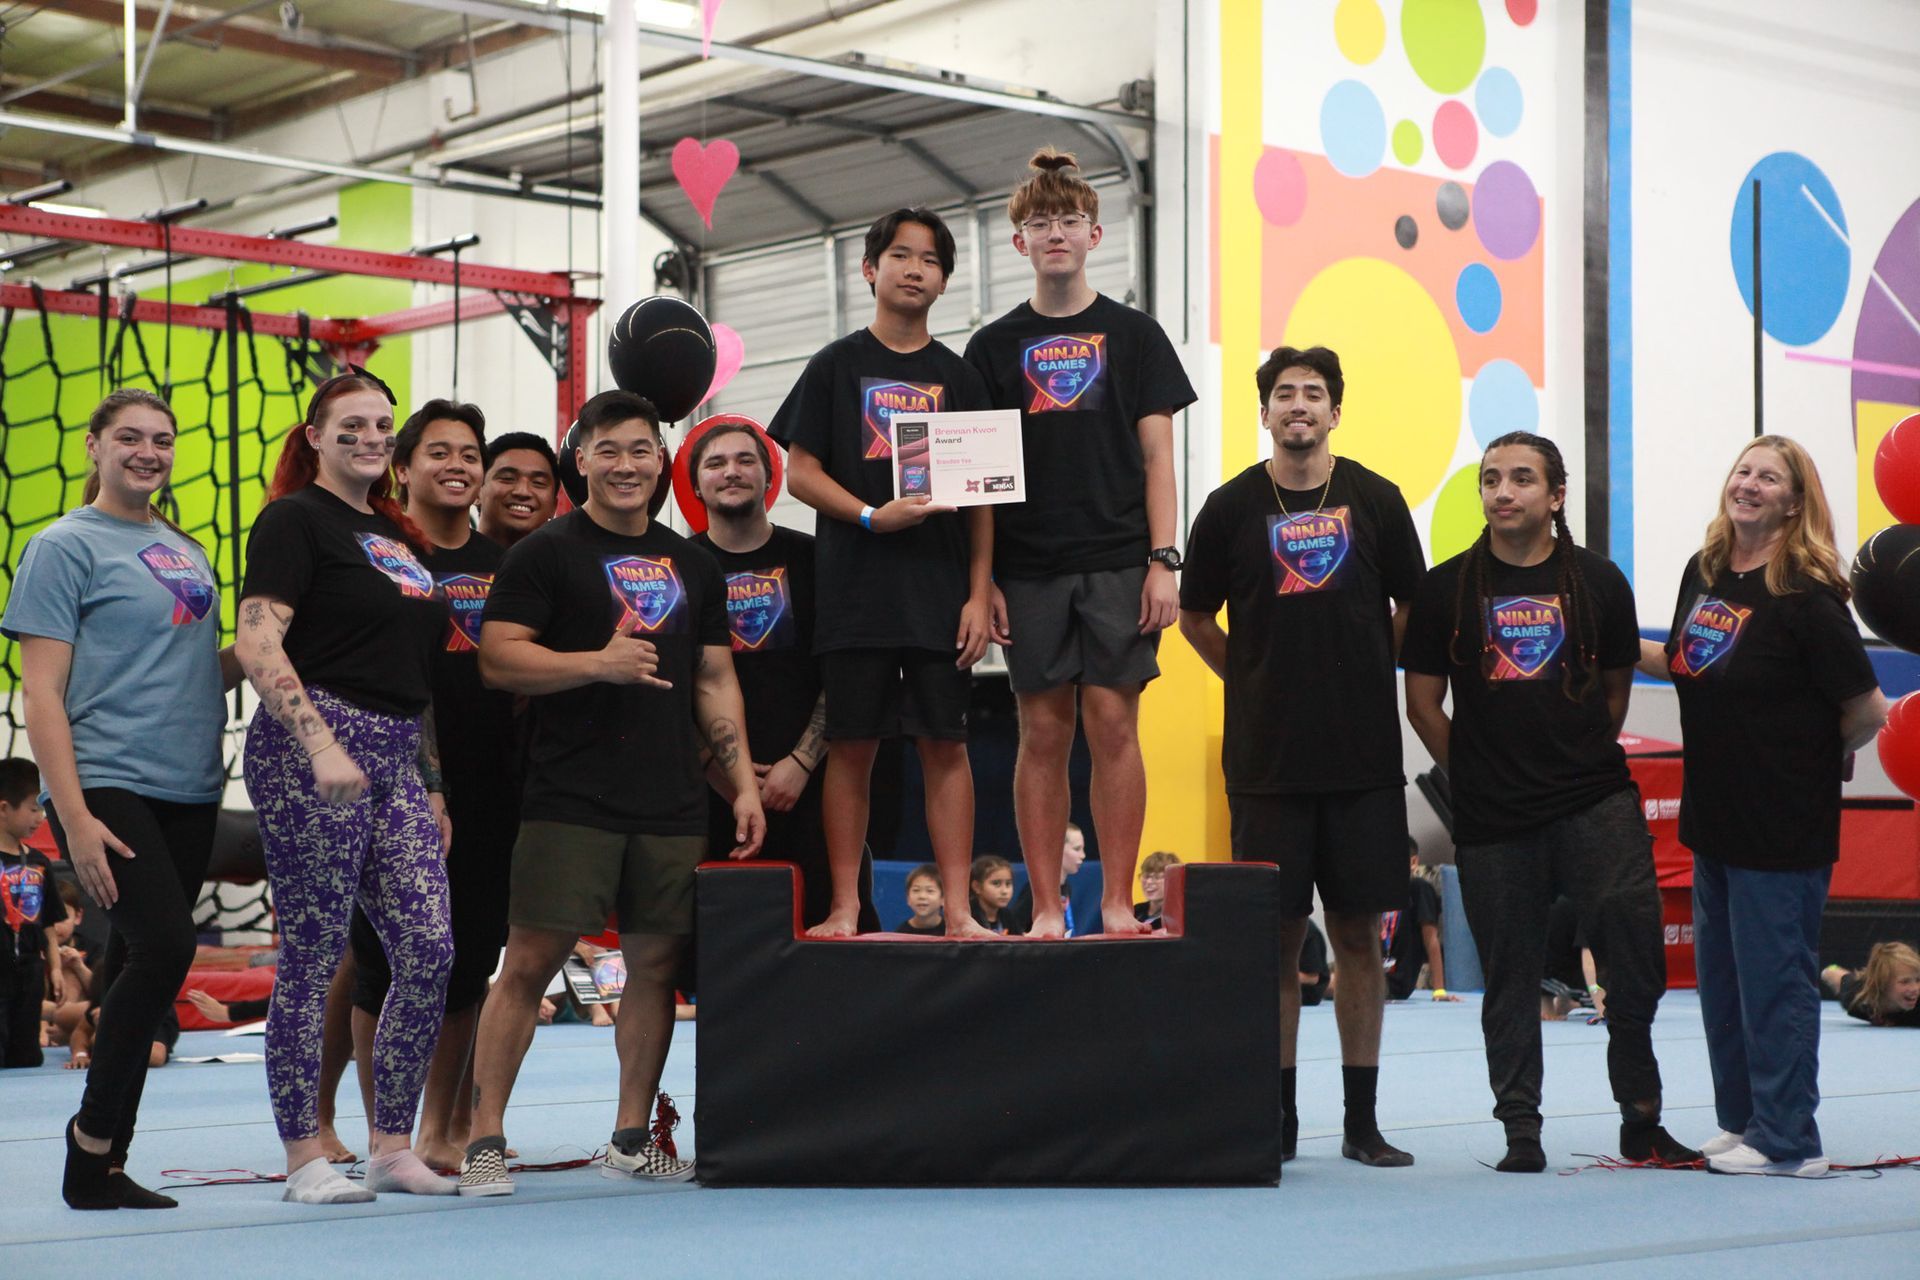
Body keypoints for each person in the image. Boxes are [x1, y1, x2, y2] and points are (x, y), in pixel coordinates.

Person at [463, 389, 764, 1196]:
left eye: (641, 449)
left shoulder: (693, 560)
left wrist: (741, 783)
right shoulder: (545, 554)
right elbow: (496, 658)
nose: (626, 464)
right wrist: (594, 663)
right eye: (609, 450)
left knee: (655, 966)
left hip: (668, 798)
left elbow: (713, 676)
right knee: (529, 961)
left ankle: (633, 1134)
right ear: (582, 460)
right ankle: (484, 1139)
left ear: (660, 460)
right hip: (569, 795)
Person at [1404, 430, 1695, 1174]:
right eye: (1492, 479)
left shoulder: (1600, 582)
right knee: (1509, 974)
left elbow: (1616, 691)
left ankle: (1641, 1117)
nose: (1504, 492)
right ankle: (1520, 1132)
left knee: (1634, 958)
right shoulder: (1445, 590)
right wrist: (1471, 774)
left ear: (1556, 496)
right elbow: (1422, 704)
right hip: (1495, 814)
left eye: (1522, 479)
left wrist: (1574, 761)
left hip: (1594, 800)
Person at [1179, 345, 1424, 1168]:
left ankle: (1362, 1123)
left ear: (1335, 412)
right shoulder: (1227, 508)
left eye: (1313, 394)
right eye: (1284, 393)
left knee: (1358, 937)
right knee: (1277, 942)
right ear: (1265, 412)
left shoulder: (1377, 500)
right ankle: (1277, 1121)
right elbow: (1193, 617)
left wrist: (1367, 663)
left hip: (1361, 760)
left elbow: (1414, 608)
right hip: (1267, 764)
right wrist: (1247, 679)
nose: (1298, 406)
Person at [1635, 434, 1887, 1176]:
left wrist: (1810, 754)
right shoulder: (1706, 572)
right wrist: (1610, 636)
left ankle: (1788, 1139)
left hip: (1781, 821)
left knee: (1776, 979)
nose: (1747, 484)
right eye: (1742, 470)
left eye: (1768, 477)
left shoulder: (1807, 595)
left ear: (1794, 501)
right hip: (1714, 811)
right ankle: (1746, 1119)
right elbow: (1685, 660)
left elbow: (1867, 709)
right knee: (1723, 982)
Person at [4, 389, 231, 1210]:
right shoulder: (63, 547)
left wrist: (282, 648)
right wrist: (76, 819)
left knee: (143, 956)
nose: (148, 451)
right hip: (108, 780)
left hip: (192, 784)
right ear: (94, 446)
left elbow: (195, 669)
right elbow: (41, 695)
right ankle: (90, 1139)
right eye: (129, 437)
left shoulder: (185, 546)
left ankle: (100, 1165)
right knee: (167, 947)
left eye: (163, 440)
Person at [236, 369, 456, 1204]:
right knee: (314, 952)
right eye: (352, 424)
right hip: (314, 747)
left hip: (394, 755)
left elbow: (412, 672)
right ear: (316, 436)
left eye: (382, 425)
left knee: (430, 949)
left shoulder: (396, 537)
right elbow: (259, 644)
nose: (372, 436)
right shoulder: (295, 520)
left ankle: (392, 1144)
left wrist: (429, 782)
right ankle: (303, 1157)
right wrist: (320, 743)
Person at [966, 148, 1197, 940]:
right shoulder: (991, 349)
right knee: (1042, 732)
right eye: (1039, 222)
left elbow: (1160, 457)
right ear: (1018, 243)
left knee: (1113, 724)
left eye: (1067, 220)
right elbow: (978, 480)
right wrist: (983, 577)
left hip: (1116, 560)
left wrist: (1164, 560)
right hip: (1028, 568)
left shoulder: (1134, 336)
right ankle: (1046, 906)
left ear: (1096, 235)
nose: (1054, 232)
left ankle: (1113, 899)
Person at [770, 207, 993, 939]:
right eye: (900, 255)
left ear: (944, 280)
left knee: (946, 746)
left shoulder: (959, 377)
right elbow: (799, 473)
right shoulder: (835, 365)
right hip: (857, 594)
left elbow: (983, 499)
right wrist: (870, 516)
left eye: (930, 260)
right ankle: (844, 905)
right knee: (853, 746)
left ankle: (959, 910)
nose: (914, 269)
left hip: (938, 596)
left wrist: (979, 591)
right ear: (870, 269)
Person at [345, 399, 522, 1171]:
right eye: (439, 452)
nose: (457, 466)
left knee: (470, 955)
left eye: (468, 456)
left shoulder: (509, 565)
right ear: (404, 465)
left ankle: (440, 1130)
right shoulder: (379, 553)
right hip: (395, 776)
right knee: (379, 958)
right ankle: (384, 1127)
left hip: (494, 780)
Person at [690, 420, 877, 932]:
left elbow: (848, 669)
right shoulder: (678, 568)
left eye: (745, 460)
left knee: (833, 953)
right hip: (712, 795)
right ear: (696, 483)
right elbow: (665, 686)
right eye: (716, 463)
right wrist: (720, 769)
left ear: (770, 476)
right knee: (721, 957)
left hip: (817, 787)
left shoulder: (818, 560)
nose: (732, 472)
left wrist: (802, 759)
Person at [1, 758, 62, 1069]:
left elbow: (49, 924)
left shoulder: (38, 862)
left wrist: (56, 968)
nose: (40, 818)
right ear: (4, 809)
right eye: (33, 809)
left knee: (26, 1058)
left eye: (42, 809)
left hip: (29, 969)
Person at [1384, 853, 1462, 1003]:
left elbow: (1431, 939)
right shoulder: (1384, 894)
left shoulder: (1419, 889)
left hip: (1394, 981)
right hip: (1372, 971)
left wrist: (1439, 990)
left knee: (1335, 981)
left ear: (1413, 861)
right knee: (1330, 975)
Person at [476, 431, 559, 548]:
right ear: (477, 492)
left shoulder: (567, 564)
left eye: (538, 483)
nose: (522, 491)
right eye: (507, 478)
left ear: (554, 506)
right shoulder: (445, 561)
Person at [1005, 822, 1088, 935]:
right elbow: (1013, 928)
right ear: (1056, 849)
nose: (1083, 855)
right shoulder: (1036, 890)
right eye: (1077, 849)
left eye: (1083, 849)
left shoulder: (1067, 887)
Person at [1823, 943, 1920, 1027]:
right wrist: (1828, 970)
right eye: (1905, 982)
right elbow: (1832, 975)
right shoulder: (1855, 997)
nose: (1915, 988)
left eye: (1918, 980)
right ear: (1883, 983)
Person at [968, 856, 1020, 936]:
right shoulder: (969, 916)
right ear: (977, 887)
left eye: (1008, 884)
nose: (1004, 891)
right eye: (996, 883)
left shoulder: (1008, 916)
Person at [1133, 849, 1181, 928]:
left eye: (1157, 877)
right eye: (1146, 876)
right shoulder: (1135, 911)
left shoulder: (1179, 917)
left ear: (1174, 880)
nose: (1149, 882)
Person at [894, 863, 944, 935]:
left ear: (943, 899)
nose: (922, 896)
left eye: (930, 891)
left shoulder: (950, 931)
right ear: (908, 898)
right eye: (916, 890)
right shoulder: (901, 934)